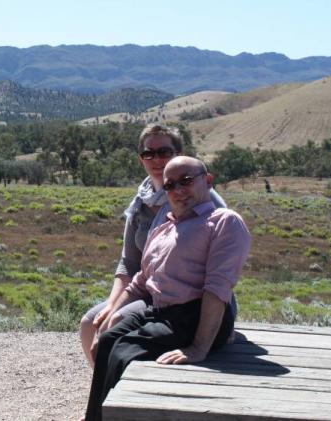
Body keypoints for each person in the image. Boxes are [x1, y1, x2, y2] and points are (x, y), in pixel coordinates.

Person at [82, 156, 252, 421]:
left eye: (186, 181)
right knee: (106, 341)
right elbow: (140, 281)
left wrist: (198, 348)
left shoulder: (224, 222)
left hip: (196, 317)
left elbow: (217, 288)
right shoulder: (164, 227)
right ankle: (96, 417)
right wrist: (108, 317)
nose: (178, 190)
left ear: (207, 181)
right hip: (161, 311)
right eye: (170, 186)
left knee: (124, 350)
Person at [79, 124, 226, 366]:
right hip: (141, 289)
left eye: (164, 152)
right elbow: (128, 262)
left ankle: (120, 390)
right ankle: (103, 386)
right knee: (89, 323)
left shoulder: (200, 198)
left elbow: (221, 263)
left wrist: (116, 310)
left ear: (179, 154)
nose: (156, 160)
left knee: (119, 322)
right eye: (149, 154)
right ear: (141, 159)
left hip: (181, 297)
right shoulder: (139, 203)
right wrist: (112, 302)